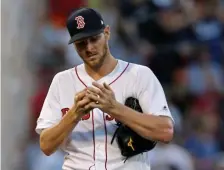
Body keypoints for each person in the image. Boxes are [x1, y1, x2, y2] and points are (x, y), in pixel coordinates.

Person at [36, 7, 174, 170]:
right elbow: (46, 146)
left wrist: (115, 108)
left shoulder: (139, 75)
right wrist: (75, 113)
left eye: (94, 39)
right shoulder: (62, 81)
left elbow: (165, 132)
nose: (89, 48)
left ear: (107, 33)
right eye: (81, 43)